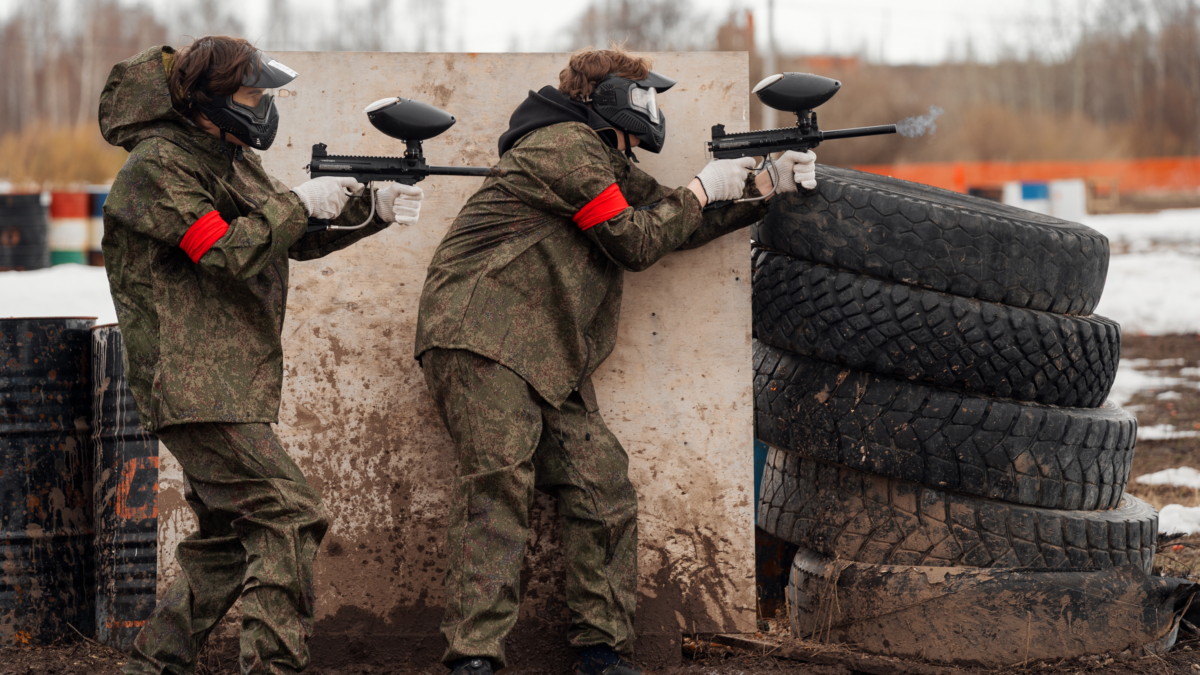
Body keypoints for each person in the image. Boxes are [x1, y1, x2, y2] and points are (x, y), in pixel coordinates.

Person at [414, 48, 817, 675]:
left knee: (601, 488)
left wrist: (764, 189)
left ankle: (600, 653)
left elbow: (671, 219)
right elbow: (635, 240)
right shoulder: (563, 145)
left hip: (547, 352)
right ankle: (474, 658)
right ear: (610, 100)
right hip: (482, 335)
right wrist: (702, 188)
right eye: (643, 95)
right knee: (498, 490)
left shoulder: (600, 159)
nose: (653, 108)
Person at [98, 37, 424, 674]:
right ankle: (272, 665)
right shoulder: (157, 167)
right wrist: (300, 201)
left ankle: (151, 662)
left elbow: (283, 239)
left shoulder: (230, 159)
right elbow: (223, 251)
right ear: (211, 99)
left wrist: (367, 210)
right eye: (255, 95)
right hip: (191, 379)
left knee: (226, 542)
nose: (265, 107)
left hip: (230, 380)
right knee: (289, 513)